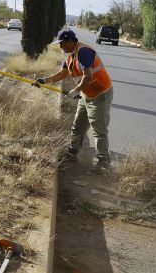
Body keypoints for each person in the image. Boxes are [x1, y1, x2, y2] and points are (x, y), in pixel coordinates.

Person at [33, 29, 114, 170]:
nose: (60, 47)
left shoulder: (83, 52)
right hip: (86, 94)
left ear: (70, 41)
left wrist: (75, 90)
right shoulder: (70, 54)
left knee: (98, 129)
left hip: (100, 94)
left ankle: (103, 162)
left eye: (62, 43)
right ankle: (72, 152)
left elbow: (88, 76)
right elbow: (63, 73)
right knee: (78, 125)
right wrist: (46, 80)